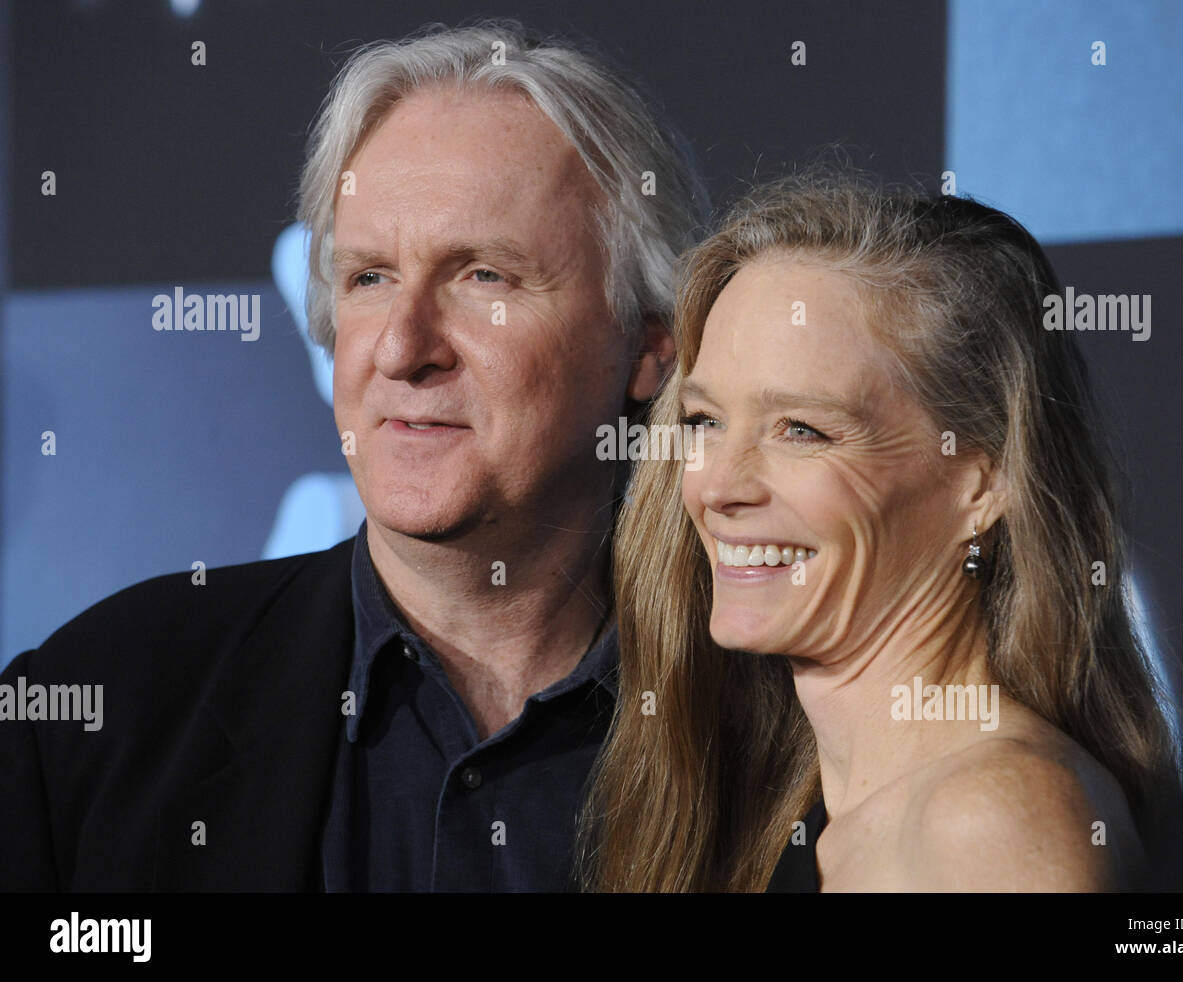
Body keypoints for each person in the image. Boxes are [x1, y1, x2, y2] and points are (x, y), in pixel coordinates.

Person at [0, 20, 707, 891]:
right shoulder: (95, 712)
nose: (403, 347)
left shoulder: (785, 743)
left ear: (649, 345)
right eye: (369, 277)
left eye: (483, 275)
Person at [577, 171, 1181, 892]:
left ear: (981, 481)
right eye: (705, 423)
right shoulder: (814, 810)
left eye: (801, 429)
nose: (719, 486)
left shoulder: (995, 820)